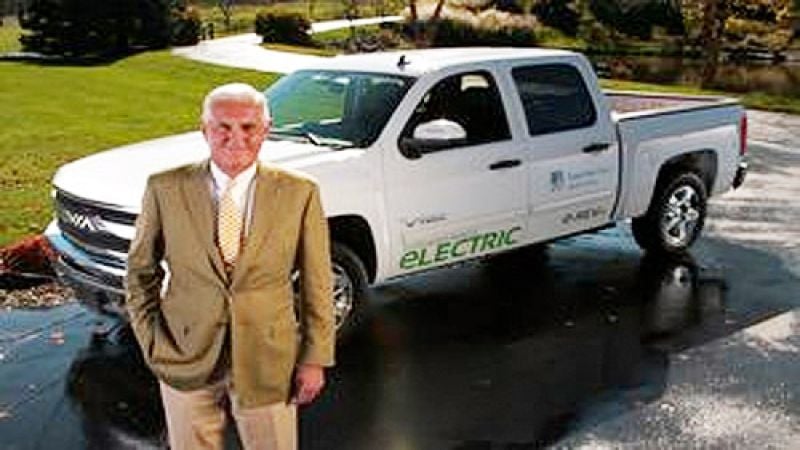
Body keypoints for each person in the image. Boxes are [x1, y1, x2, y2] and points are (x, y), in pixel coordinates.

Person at [125, 83, 335, 450]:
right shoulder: (164, 188)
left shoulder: (301, 192)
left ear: (266, 130)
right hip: (183, 354)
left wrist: (315, 358)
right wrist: (153, 342)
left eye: (249, 127)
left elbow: (317, 282)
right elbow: (140, 272)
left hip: (270, 359)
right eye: (223, 126)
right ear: (204, 129)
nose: (236, 138)